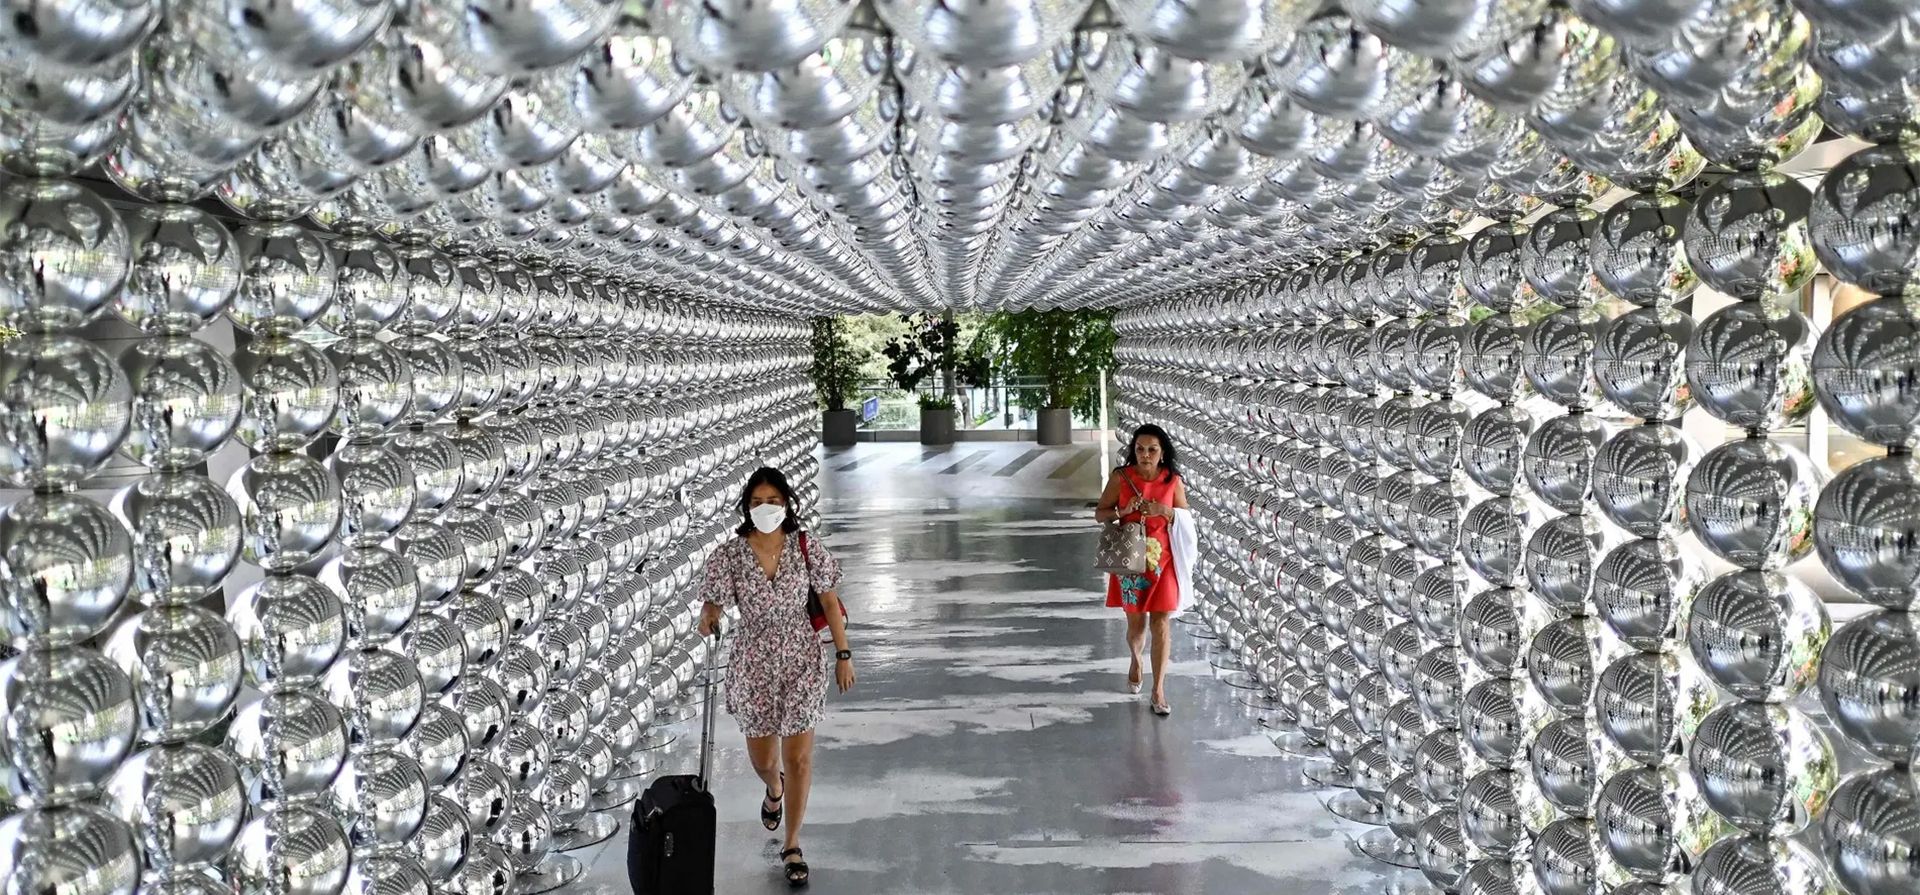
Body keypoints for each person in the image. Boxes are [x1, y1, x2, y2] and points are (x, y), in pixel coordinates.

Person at [697, 467, 854, 889]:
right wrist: (709, 616)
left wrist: (843, 653)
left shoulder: (806, 548)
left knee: (799, 758)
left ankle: (793, 843)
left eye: (773, 501)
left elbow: (829, 600)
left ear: (787, 503)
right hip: (752, 662)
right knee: (764, 761)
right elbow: (713, 602)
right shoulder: (730, 555)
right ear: (747, 508)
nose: (765, 508)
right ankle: (773, 790)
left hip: (802, 657)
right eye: (757, 502)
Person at [1094, 424, 1194, 717]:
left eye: (1152, 450)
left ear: (1162, 453)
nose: (1145, 455)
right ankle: (1136, 659)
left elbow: (1185, 517)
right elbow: (1099, 513)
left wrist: (1164, 511)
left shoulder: (1172, 481)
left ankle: (1159, 689)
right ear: (1133, 450)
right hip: (1131, 562)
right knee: (1136, 627)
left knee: (1162, 624)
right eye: (1140, 449)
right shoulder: (1121, 478)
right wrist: (1123, 512)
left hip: (1164, 562)